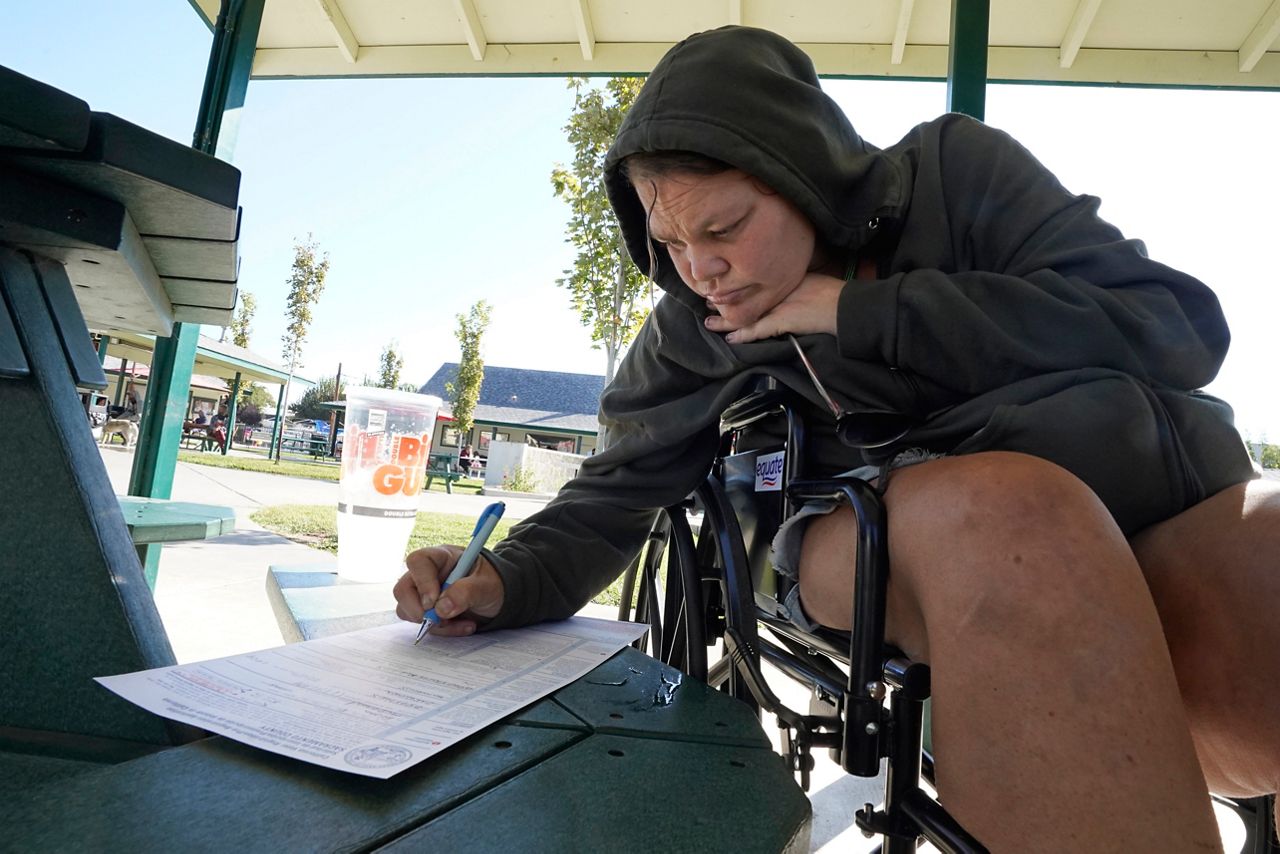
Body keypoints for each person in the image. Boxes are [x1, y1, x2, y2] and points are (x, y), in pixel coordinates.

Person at [394, 26, 1278, 851]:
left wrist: (866, 314)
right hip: (869, 527)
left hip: (1144, 493)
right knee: (1014, 522)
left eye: (724, 228)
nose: (699, 268)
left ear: (805, 174)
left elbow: (1176, 327)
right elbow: (612, 494)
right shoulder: (691, 326)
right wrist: (504, 577)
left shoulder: (958, 173)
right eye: (667, 239)